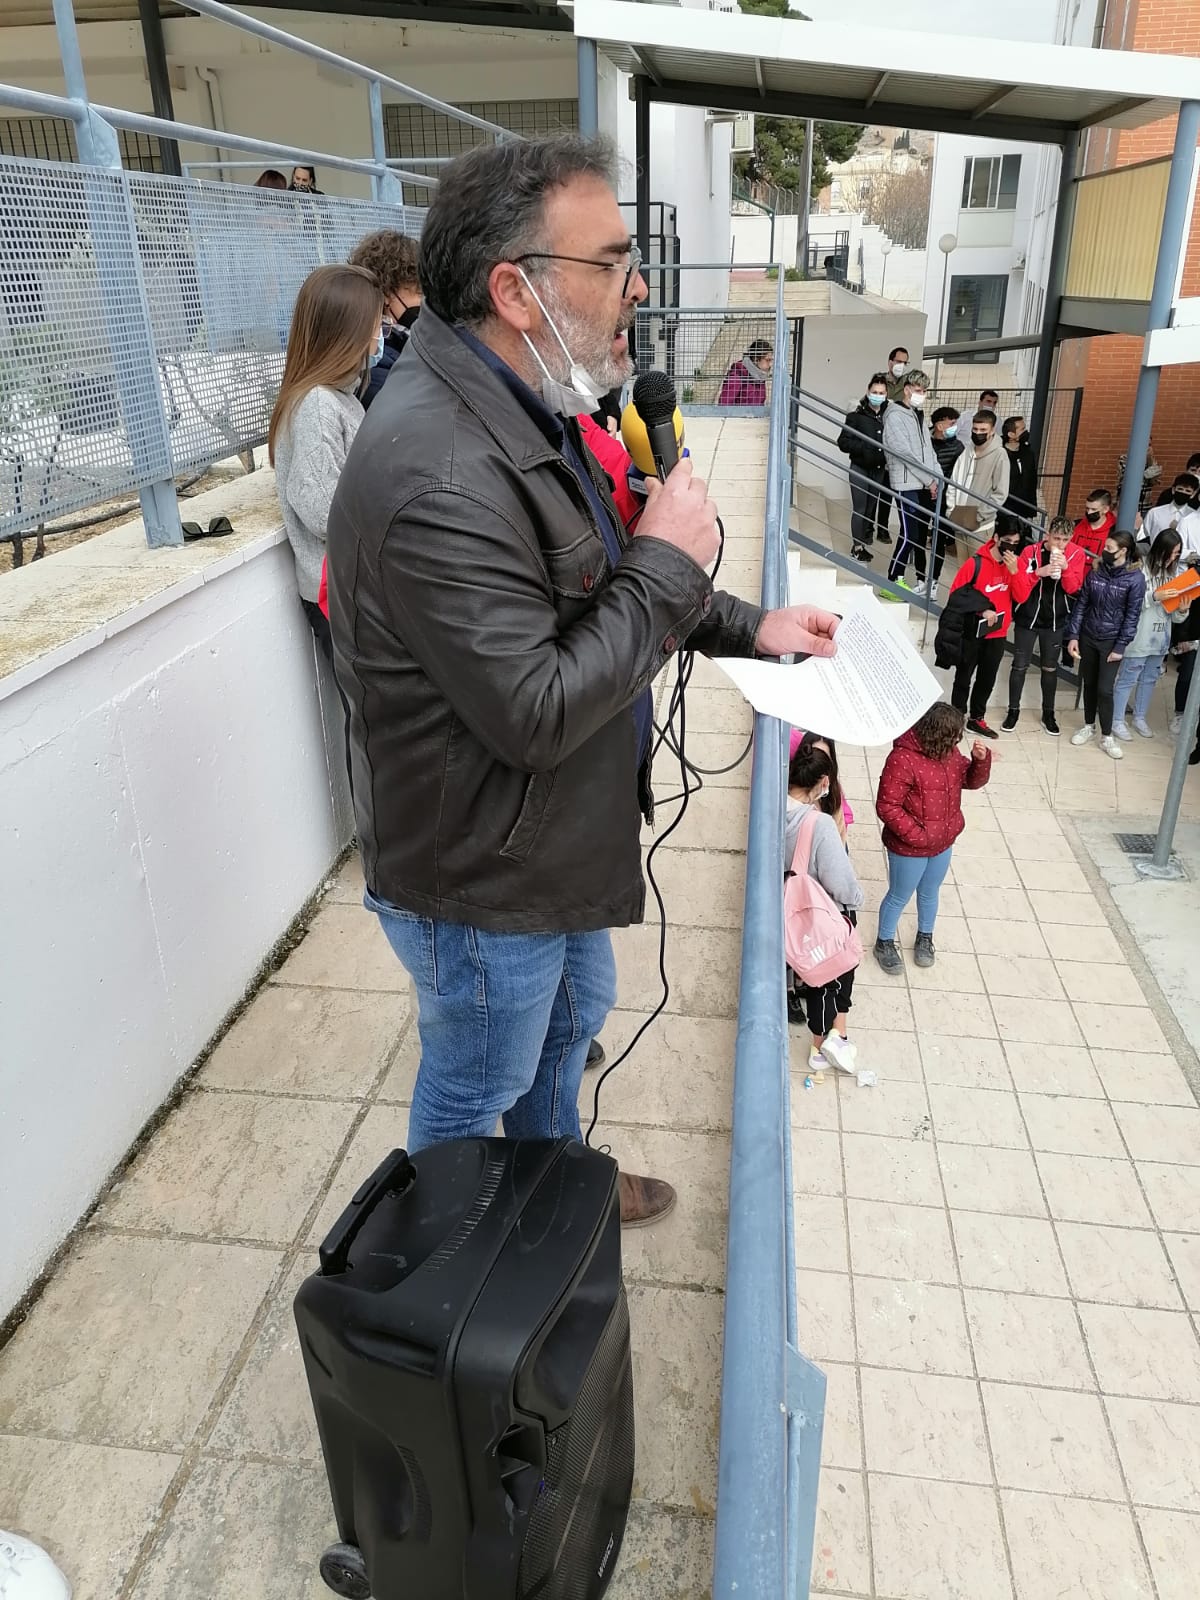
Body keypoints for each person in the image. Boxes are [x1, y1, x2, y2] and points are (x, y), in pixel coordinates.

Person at [324, 133, 840, 1227]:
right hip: (480, 881)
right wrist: (666, 559)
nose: (638, 285)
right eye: (609, 261)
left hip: (544, 848)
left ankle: (553, 1201)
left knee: (571, 1025)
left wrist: (755, 625)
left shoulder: (524, 404)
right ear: (516, 291)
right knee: (477, 1087)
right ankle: (454, 1277)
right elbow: (539, 706)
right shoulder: (440, 472)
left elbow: (598, 578)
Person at [269, 263, 382, 652]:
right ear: (348, 332)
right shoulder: (318, 405)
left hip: (352, 588)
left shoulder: (340, 399)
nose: (378, 334)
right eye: (374, 323)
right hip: (338, 593)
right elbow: (322, 510)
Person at [873, 702, 991, 974]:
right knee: (899, 895)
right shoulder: (902, 759)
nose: (958, 740)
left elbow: (971, 781)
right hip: (909, 847)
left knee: (929, 892)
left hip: (942, 844)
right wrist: (918, 835)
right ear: (941, 734)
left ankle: (925, 937)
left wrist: (981, 762)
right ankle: (884, 941)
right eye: (955, 735)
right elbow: (887, 806)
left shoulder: (949, 753)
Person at [785, 744, 863, 1074]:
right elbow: (841, 883)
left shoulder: (770, 808)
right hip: (816, 913)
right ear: (821, 783)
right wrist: (856, 899)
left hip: (785, 912)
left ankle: (829, 1038)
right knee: (830, 978)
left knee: (813, 976)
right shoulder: (818, 825)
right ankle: (823, 1044)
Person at [1004, 514, 1087, 736]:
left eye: (1065, 540)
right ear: (1047, 535)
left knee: (1050, 668)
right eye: (1057, 538)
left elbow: (1073, 589)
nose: (1060, 544)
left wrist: (1066, 568)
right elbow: (1018, 581)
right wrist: (1038, 572)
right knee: (1019, 665)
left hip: (1055, 620)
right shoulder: (1030, 551)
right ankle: (1013, 711)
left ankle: (1048, 713)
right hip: (1028, 617)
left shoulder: (1077, 554)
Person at [1067, 529, 1146, 760]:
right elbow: (1081, 605)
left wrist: (1121, 646)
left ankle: (1107, 735)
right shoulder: (1095, 572)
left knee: (1105, 689)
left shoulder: (1135, 578)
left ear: (1123, 551)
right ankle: (1088, 725)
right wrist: (1073, 635)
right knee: (1089, 684)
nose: (1105, 552)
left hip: (1111, 641)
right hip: (1088, 636)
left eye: (1110, 549)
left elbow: (1133, 616)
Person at [946, 525, 1021, 738]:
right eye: (1007, 541)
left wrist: (1015, 573)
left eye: (1016, 543)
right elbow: (956, 595)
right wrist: (982, 608)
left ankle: (976, 719)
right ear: (996, 538)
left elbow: (1022, 597)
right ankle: (956, 719)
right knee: (963, 677)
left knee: (987, 679)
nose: (1011, 547)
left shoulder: (1014, 565)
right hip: (972, 632)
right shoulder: (975, 563)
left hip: (998, 634)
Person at [1112, 529, 1185, 741]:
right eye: (1170, 553)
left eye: (1177, 554)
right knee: (1128, 677)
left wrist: (1182, 610)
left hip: (1160, 638)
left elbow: (1174, 616)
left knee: (1150, 679)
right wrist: (1154, 596)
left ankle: (1140, 716)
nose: (1172, 558)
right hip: (1138, 637)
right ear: (1159, 549)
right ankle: (1117, 719)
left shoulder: (1173, 574)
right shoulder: (1140, 569)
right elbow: (1128, 600)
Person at [348, 229, 422, 409]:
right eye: (419, 292)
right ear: (387, 292)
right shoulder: (375, 362)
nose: (426, 302)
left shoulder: (402, 344)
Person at [882, 368, 940, 593]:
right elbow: (904, 453)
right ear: (906, 390)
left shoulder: (918, 415)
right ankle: (893, 581)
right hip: (907, 484)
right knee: (909, 535)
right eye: (918, 390)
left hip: (923, 484)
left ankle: (909, 579)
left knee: (916, 536)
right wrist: (929, 480)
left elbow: (929, 451)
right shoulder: (895, 415)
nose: (921, 394)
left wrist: (936, 479)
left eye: (924, 390)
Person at [836, 374, 891, 562]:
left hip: (879, 469)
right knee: (860, 508)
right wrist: (864, 448)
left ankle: (863, 540)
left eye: (881, 393)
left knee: (870, 508)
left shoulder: (889, 416)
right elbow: (843, 441)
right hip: (860, 467)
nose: (878, 395)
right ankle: (857, 547)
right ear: (868, 392)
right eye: (874, 392)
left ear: (886, 394)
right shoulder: (856, 416)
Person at [948, 409, 1009, 544]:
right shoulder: (966, 452)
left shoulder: (1000, 455)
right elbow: (954, 482)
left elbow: (1000, 493)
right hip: (959, 517)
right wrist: (951, 510)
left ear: (992, 430)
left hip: (981, 526)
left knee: (979, 565)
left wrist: (979, 516)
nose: (978, 433)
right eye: (975, 429)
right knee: (963, 565)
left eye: (983, 430)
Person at [790, 728, 854, 837]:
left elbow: (840, 835)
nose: (818, 763)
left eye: (824, 758)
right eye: (814, 755)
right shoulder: (793, 796)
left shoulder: (833, 792)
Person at [1141, 473, 1200, 556]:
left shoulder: (1194, 518)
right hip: (1154, 558)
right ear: (1173, 490)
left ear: (1193, 494)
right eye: (1180, 489)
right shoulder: (1154, 513)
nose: (1183, 492)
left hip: (1182, 563)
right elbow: (1144, 535)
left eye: (1188, 491)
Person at [998, 414, 1038, 536]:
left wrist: (1031, 509)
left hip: (1024, 508)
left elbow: (1032, 481)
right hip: (1005, 507)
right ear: (1011, 434)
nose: (1025, 431)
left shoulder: (1028, 453)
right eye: (1021, 429)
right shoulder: (999, 453)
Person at [718, 339, 773, 405]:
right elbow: (724, 404)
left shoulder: (759, 375)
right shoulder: (737, 376)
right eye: (767, 360)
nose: (770, 364)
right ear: (756, 359)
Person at [1071, 488, 1116, 560]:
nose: (1089, 512)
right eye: (1087, 508)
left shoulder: (1113, 531)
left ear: (1105, 509)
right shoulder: (1076, 525)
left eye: (1093, 509)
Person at [929, 407, 963, 478]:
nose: (955, 427)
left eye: (955, 423)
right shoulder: (925, 443)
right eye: (952, 424)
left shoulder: (958, 447)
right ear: (939, 426)